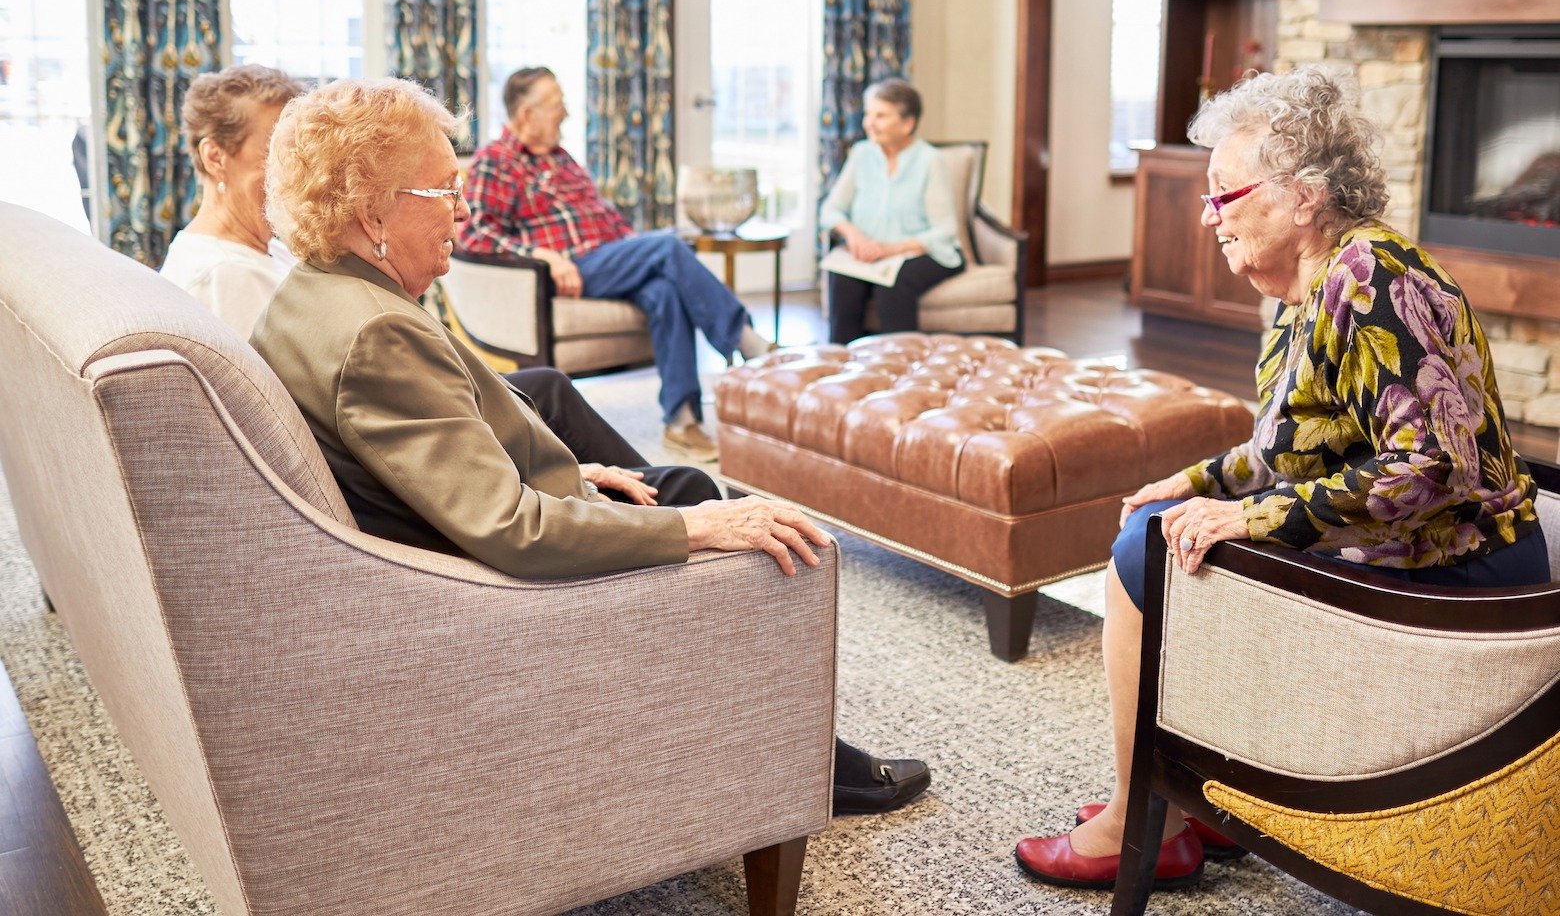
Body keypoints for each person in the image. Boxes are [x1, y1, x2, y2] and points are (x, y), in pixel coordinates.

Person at [251, 76, 931, 815]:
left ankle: (797, 747)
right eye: (445, 191)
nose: (462, 210)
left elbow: (445, 462)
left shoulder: (311, 294)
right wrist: (695, 528)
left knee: (677, 465)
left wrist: (567, 469)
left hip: (463, 543)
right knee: (712, 509)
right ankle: (805, 764)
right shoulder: (379, 334)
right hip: (502, 596)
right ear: (369, 206)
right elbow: (511, 530)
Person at [1013, 67, 1548, 891]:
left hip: (1452, 577)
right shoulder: (1308, 287)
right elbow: (1288, 447)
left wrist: (1251, 521)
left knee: (1142, 558)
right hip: (1404, 552)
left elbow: (1436, 467)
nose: (1208, 215)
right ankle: (1191, 802)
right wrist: (1197, 482)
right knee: (1156, 529)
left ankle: (1143, 823)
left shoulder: (1374, 281)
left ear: (1303, 195)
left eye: (1225, 194)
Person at [459, 66, 775, 464]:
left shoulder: (562, 158)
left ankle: (681, 419)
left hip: (607, 258)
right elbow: (474, 233)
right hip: (564, 270)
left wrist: (634, 248)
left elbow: (606, 218)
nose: (566, 114)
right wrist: (544, 256)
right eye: (557, 106)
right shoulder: (497, 161)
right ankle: (749, 344)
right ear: (526, 114)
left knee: (663, 288)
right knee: (667, 248)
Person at [160, 64, 306, 339]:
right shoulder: (224, 278)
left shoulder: (271, 248)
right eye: (274, 151)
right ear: (215, 157)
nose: (296, 168)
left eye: (297, 149)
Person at [818, 79, 962, 345]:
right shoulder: (861, 154)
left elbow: (945, 230)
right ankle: (841, 364)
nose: (869, 123)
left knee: (894, 283)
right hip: (870, 251)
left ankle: (901, 364)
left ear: (908, 123)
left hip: (922, 252)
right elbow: (830, 209)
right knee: (843, 277)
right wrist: (854, 237)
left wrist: (890, 250)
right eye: (868, 114)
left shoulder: (930, 161)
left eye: (881, 116)